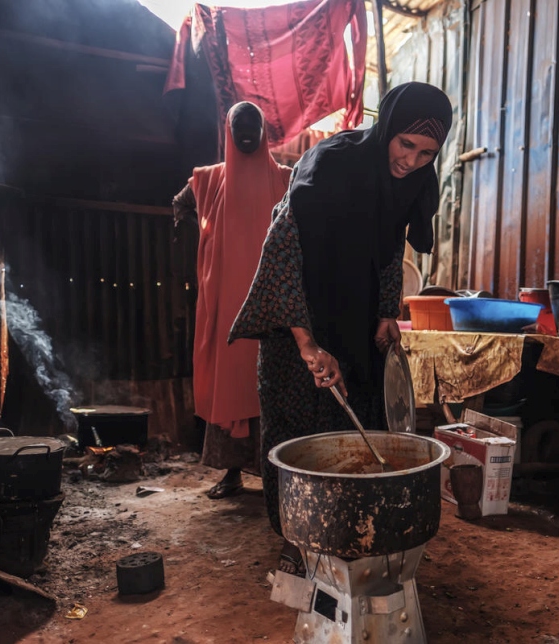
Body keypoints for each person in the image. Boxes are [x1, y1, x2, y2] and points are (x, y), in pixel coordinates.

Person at [228, 82, 453, 575]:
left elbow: (393, 249)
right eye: (406, 145)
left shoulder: (411, 183)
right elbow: (282, 251)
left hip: (356, 324)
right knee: (298, 433)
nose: (412, 161)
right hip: (300, 319)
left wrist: (385, 313)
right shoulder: (332, 166)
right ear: (388, 129)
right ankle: (295, 537)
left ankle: (348, 530)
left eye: (427, 153)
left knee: (357, 427)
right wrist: (308, 345)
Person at [173, 102, 291, 499]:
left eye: (251, 125)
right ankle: (232, 471)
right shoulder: (209, 181)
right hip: (227, 300)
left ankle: (276, 474)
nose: (245, 133)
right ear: (228, 130)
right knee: (231, 380)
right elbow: (180, 206)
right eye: (238, 126)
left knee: (271, 382)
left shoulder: (287, 180)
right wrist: (207, 239)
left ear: (263, 131)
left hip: (270, 300)